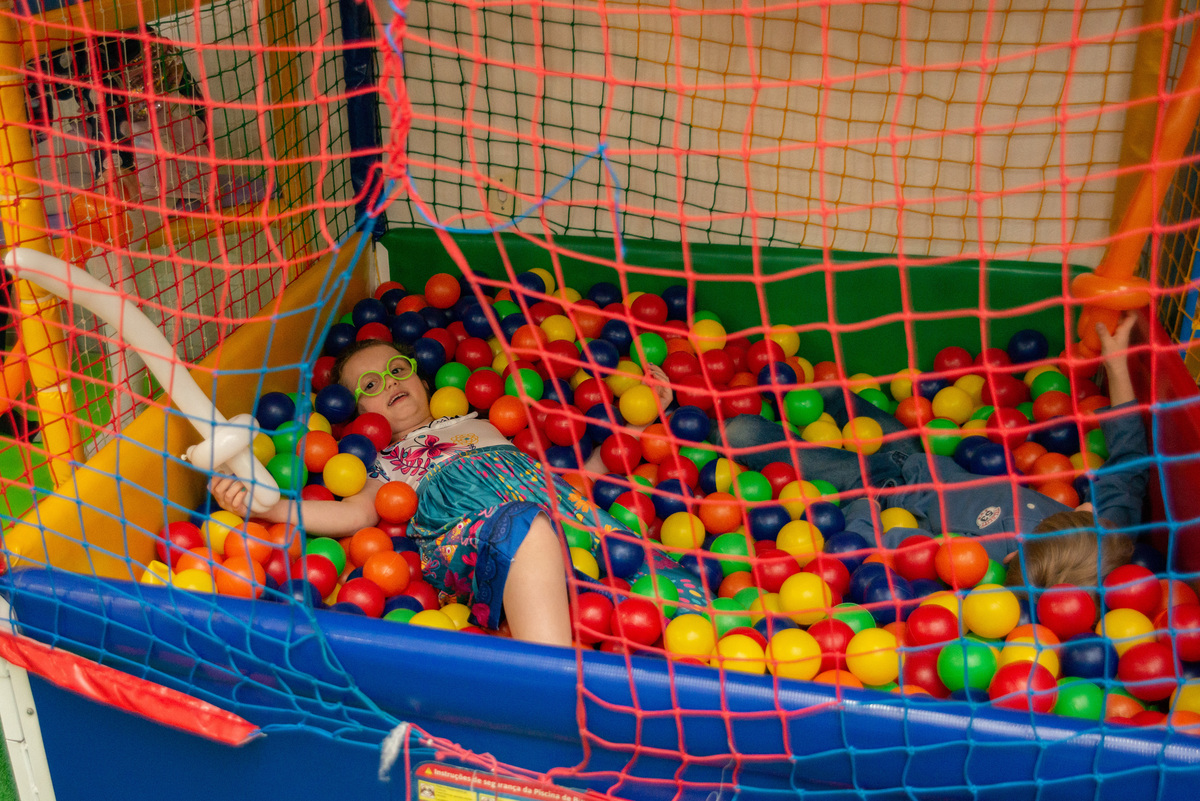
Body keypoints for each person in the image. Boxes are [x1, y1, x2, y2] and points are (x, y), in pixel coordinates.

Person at [210, 338, 684, 647]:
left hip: (561, 514)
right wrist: (271, 506)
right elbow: (354, 516)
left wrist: (639, 422)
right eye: (371, 385)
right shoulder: (377, 462)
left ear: (422, 375)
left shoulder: (479, 423)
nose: (391, 382)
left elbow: (571, 482)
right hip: (471, 532)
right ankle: (550, 685)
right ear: (356, 413)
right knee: (527, 529)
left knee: (657, 576)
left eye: (398, 368)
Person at [711, 314, 1146, 592]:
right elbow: (1130, 464)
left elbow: (889, 544)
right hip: (914, 455)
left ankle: (678, 413)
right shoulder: (1108, 536)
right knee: (827, 392)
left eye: (1083, 511)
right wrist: (1116, 366)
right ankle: (771, 385)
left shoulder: (978, 565)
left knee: (743, 431)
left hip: (881, 489)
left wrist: (867, 505)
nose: (1088, 500)